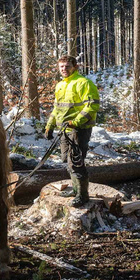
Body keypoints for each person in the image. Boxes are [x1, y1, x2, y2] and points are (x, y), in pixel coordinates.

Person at [44, 56, 100, 206]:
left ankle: (83, 195)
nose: (64, 69)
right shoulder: (60, 85)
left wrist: (76, 122)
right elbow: (57, 108)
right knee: (66, 161)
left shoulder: (84, 83)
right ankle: (75, 189)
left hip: (79, 129)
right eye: (61, 66)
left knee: (76, 162)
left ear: (75, 67)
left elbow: (92, 106)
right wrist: (50, 125)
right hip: (64, 129)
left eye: (67, 66)